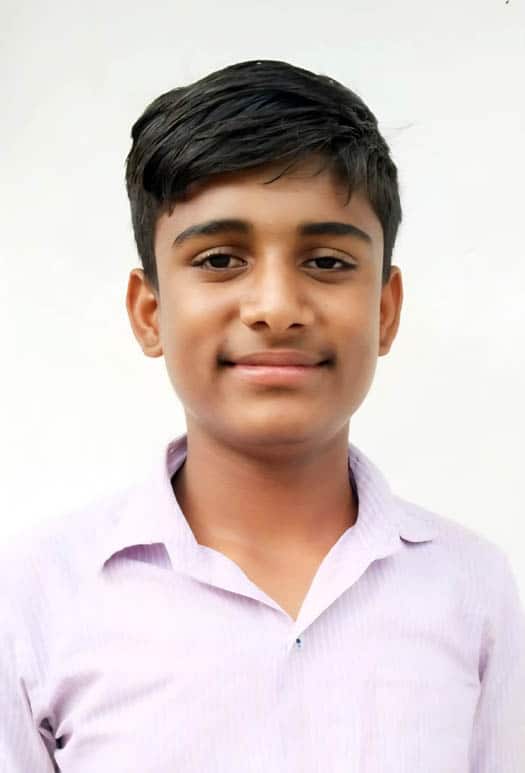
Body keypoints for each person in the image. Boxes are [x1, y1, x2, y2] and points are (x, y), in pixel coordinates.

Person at [1, 59, 523, 772]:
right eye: (220, 259)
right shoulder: (36, 596)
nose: (275, 308)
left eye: (327, 262)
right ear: (150, 313)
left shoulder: (472, 589)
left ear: (384, 310)